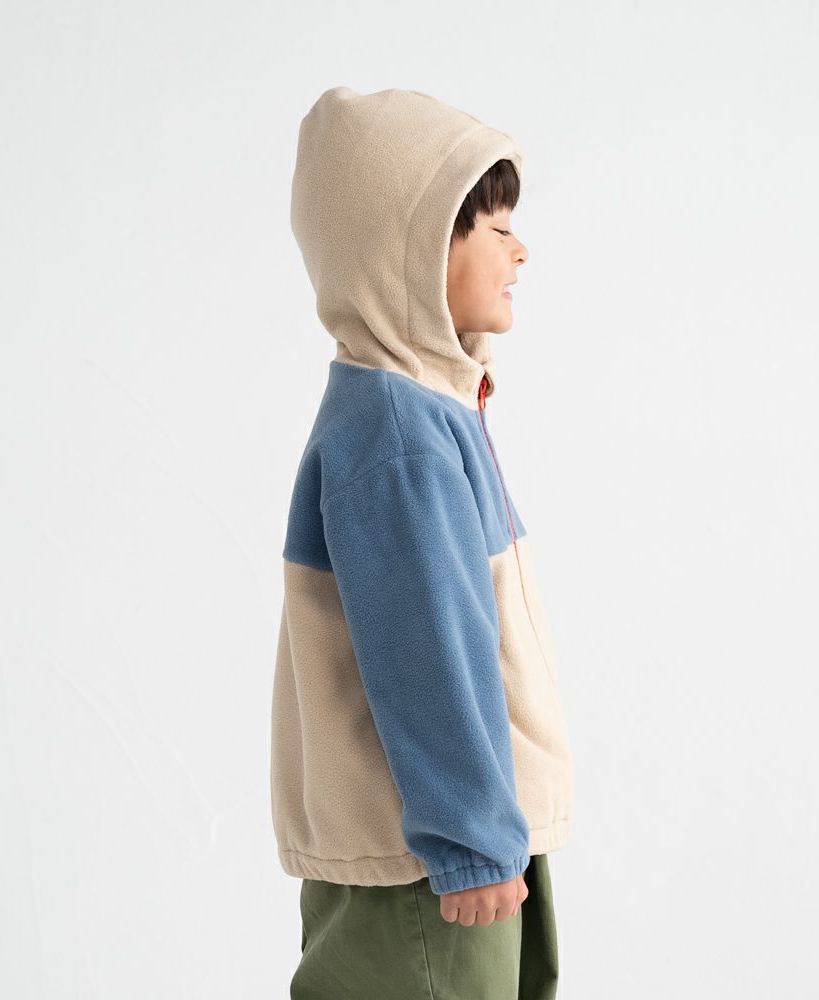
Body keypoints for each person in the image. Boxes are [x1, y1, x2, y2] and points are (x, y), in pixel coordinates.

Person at [270, 85, 574, 999]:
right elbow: (429, 648)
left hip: (456, 835)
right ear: (412, 250)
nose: (521, 250)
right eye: (497, 228)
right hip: (431, 861)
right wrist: (470, 838)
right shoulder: (399, 435)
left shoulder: (423, 411)